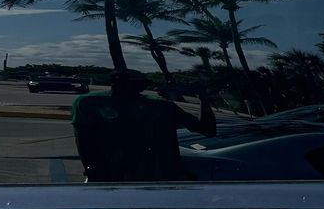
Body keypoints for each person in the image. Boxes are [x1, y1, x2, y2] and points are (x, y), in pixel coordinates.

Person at [70, 69, 215, 182]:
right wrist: (91, 168)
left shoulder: (161, 106)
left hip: (155, 178)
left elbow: (207, 130)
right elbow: (83, 139)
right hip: (111, 177)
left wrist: (204, 99)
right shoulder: (90, 103)